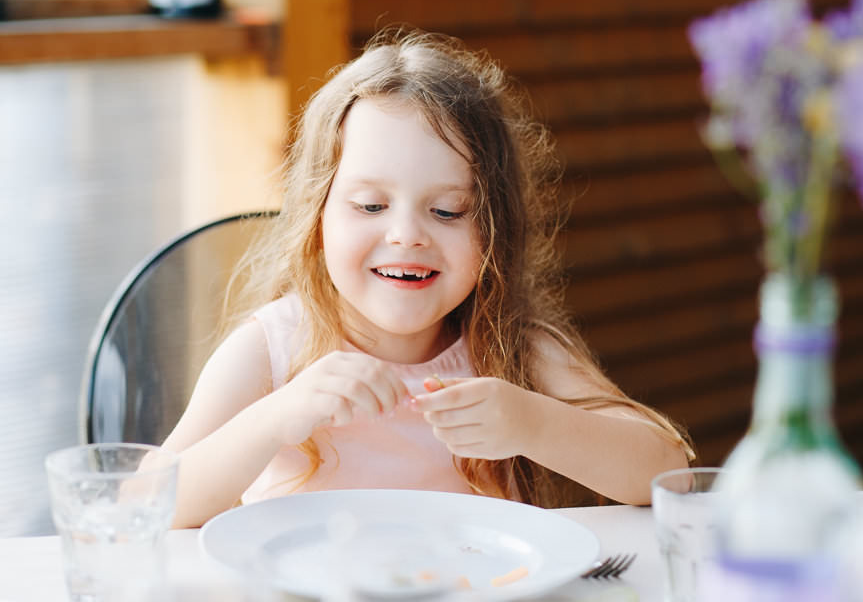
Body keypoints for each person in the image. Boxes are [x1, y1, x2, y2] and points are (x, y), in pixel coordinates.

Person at [162, 28, 694, 528]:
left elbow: (669, 474)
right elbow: (145, 502)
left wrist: (531, 422)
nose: (406, 235)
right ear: (316, 219)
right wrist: (276, 418)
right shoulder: (272, 350)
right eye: (371, 205)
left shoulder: (510, 348)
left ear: (494, 232)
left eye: (447, 211)